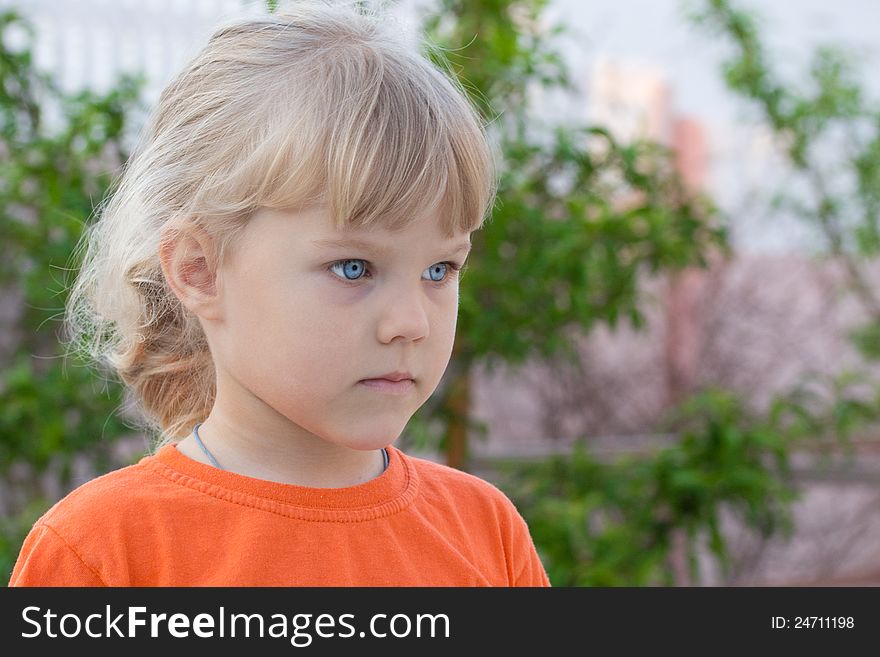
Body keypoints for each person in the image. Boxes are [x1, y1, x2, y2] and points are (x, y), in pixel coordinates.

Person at [9, 0, 550, 587]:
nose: (410, 322)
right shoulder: (104, 551)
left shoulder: (486, 531)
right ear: (199, 271)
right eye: (353, 268)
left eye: (441, 270)